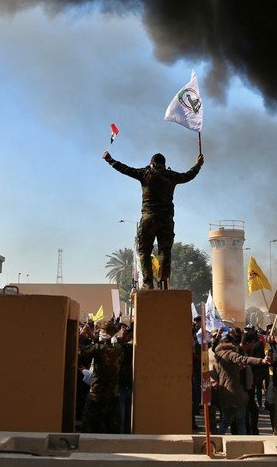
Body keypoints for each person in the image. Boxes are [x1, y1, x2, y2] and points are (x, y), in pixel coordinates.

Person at [102, 151, 203, 290]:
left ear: (153, 163)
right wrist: (198, 165)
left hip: (148, 219)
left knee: (144, 251)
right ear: (164, 164)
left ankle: (148, 283)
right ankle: (164, 283)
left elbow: (125, 169)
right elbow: (188, 176)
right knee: (165, 253)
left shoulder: (145, 173)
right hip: (166, 221)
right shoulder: (171, 175)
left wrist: (110, 159)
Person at [213, 330, 268, 434]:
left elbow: (226, 372)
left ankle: (218, 439)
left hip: (224, 392)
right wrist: (261, 360)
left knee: (226, 420)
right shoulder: (230, 354)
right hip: (235, 392)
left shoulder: (219, 356)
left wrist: (238, 368)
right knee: (241, 421)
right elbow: (243, 359)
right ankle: (243, 441)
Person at [80, 321, 125, 433]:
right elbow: (104, 346)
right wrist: (92, 335)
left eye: (102, 331)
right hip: (113, 392)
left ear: (106, 333)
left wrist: (81, 335)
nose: (100, 332)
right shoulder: (119, 349)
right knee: (111, 423)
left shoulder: (98, 349)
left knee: (90, 422)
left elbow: (83, 351)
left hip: (97, 392)